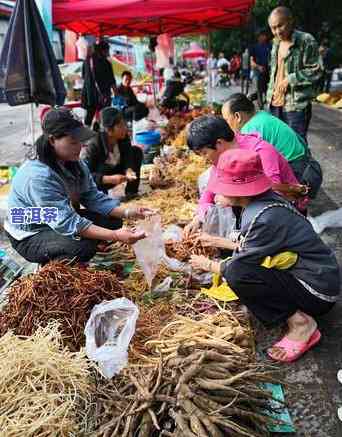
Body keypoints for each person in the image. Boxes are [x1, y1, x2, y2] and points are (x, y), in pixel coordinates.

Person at [190, 148, 340, 363]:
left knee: (237, 273)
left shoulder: (262, 216)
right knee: (238, 267)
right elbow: (257, 245)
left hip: (317, 292)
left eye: (224, 188)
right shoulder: (264, 201)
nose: (219, 194)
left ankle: (302, 324)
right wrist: (216, 241)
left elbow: (242, 263)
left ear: (239, 190)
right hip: (318, 275)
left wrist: (207, 264)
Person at [4, 108, 152, 265]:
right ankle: (53, 265)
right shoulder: (38, 176)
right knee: (81, 248)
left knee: (114, 221)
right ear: (52, 140)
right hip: (31, 231)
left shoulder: (74, 162)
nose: (79, 147)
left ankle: (77, 246)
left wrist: (130, 212)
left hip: (55, 219)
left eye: (80, 141)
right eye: (73, 142)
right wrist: (115, 235)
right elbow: (68, 222)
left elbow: (92, 197)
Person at [184, 115, 305, 239]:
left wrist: (231, 198)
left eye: (204, 153)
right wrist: (199, 218)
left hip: (280, 211)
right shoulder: (224, 156)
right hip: (252, 209)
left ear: (219, 143)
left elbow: (271, 193)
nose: (204, 159)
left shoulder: (261, 151)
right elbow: (209, 190)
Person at [267, 7, 322, 141]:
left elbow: (317, 70)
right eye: (273, 28)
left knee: (297, 147)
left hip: (295, 106)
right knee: (279, 146)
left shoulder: (305, 40)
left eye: (280, 25)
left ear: (290, 21)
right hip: (274, 104)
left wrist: (289, 79)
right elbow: (275, 71)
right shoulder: (276, 43)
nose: (277, 31)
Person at [82, 107, 143, 199]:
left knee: (136, 151)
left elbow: (128, 155)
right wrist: (108, 179)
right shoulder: (94, 145)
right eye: (121, 125)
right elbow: (86, 175)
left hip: (116, 170)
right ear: (109, 130)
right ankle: (100, 199)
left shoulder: (123, 137)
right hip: (102, 179)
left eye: (124, 124)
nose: (125, 128)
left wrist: (129, 169)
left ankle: (131, 192)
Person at [81, 40, 117, 127]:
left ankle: (87, 136)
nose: (108, 52)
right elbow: (111, 81)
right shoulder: (106, 63)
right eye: (107, 50)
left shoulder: (87, 61)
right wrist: (116, 94)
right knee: (104, 117)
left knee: (89, 118)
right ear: (103, 50)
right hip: (103, 95)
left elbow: (83, 76)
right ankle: (101, 135)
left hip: (89, 95)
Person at [250, 30, 272, 109]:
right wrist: (258, 67)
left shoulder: (269, 46)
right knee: (259, 91)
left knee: (268, 89)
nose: (264, 37)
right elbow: (251, 62)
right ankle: (261, 108)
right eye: (262, 35)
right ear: (259, 37)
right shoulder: (254, 47)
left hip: (268, 71)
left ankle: (269, 106)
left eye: (264, 35)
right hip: (258, 72)